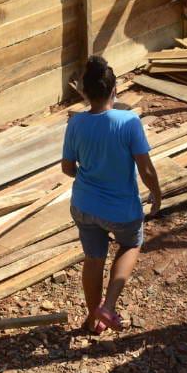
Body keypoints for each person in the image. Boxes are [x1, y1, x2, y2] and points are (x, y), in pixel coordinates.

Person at [62, 56, 163, 334]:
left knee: (94, 257)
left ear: (84, 92)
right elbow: (145, 168)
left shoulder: (75, 123)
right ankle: (109, 305)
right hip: (121, 211)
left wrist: (90, 175)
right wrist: (156, 194)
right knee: (131, 244)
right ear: (114, 89)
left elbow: (68, 168)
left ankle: (94, 318)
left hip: (83, 206)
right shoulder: (129, 122)